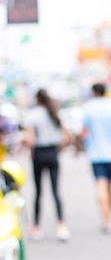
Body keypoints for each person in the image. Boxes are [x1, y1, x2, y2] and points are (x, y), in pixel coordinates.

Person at [22, 88, 72, 241]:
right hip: (52, 153)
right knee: (55, 191)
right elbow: (67, 137)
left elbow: (30, 140)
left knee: (38, 192)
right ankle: (61, 225)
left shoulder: (33, 114)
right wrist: (58, 149)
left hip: (39, 154)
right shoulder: (53, 113)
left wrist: (24, 142)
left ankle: (36, 227)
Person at [80, 83, 111, 233]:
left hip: (95, 154)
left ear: (94, 92)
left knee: (101, 184)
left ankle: (106, 219)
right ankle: (109, 216)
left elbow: (83, 132)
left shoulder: (88, 108)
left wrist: (80, 146)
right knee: (109, 185)